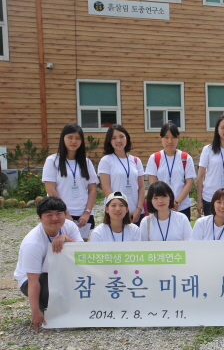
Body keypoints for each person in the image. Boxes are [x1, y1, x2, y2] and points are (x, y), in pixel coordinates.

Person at [14, 196, 83, 334]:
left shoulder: (68, 226)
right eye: (49, 215)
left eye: (58, 213)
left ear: (65, 214)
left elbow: (82, 254)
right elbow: (33, 280)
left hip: (60, 273)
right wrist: (36, 311)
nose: (55, 218)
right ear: (40, 218)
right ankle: (47, 307)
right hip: (34, 280)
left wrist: (66, 239)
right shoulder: (32, 242)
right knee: (50, 291)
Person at [42, 124, 98, 241]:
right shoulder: (52, 161)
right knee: (59, 246)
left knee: (80, 248)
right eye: (70, 137)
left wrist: (87, 212)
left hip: (83, 215)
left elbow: (92, 189)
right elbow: (50, 189)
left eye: (78, 138)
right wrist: (64, 213)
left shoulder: (86, 162)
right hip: (59, 213)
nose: (74, 141)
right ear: (63, 138)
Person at [146, 123, 196, 220]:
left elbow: (189, 183)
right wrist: (165, 202)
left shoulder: (185, 158)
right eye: (166, 137)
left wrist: (176, 202)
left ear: (178, 138)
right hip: (161, 207)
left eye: (173, 137)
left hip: (182, 207)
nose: (170, 141)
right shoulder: (154, 158)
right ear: (161, 138)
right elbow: (153, 184)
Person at [98, 124, 145, 224]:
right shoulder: (106, 160)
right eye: (114, 138)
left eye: (121, 136)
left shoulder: (136, 160)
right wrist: (119, 208)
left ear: (126, 138)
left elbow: (141, 187)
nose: (118, 140)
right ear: (109, 141)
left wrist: (139, 209)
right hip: (116, 213)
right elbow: (106, 188)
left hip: (135, 212)